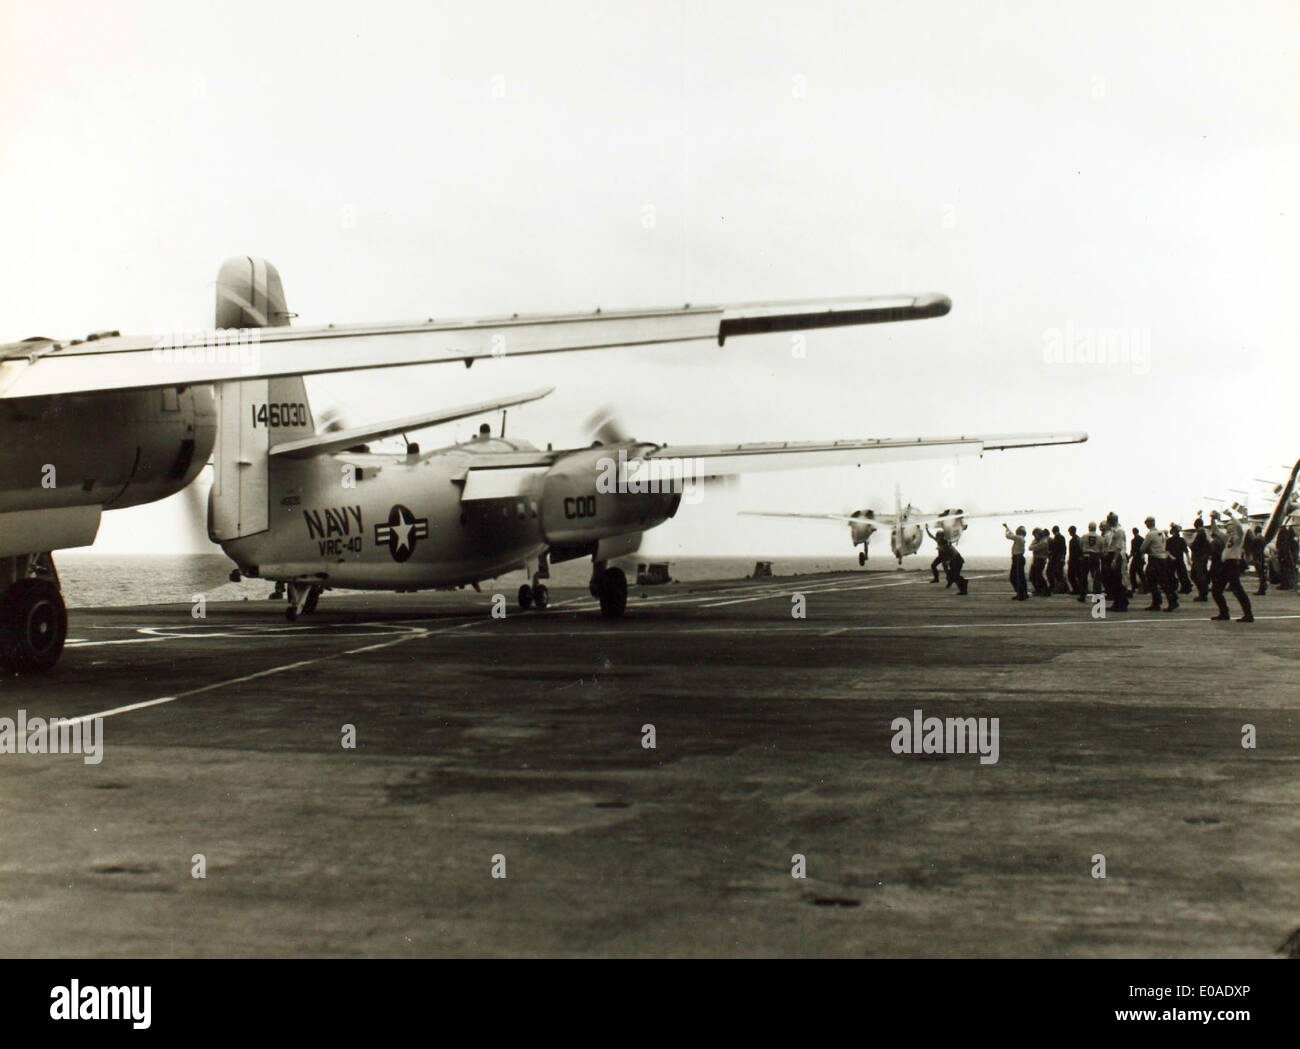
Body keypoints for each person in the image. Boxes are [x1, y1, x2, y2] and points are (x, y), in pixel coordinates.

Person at [1210, 511, 1253, 622]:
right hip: (1226, 565)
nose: (1228, 528)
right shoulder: (1228, 538)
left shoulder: (1238, 538)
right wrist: (1212, 519)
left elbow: (1239, 526)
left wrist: (1231, 516)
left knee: (1238, 590)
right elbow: (1215, 531)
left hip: (1233, 564)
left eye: (1230, 526)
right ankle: (1224, 613)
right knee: (1216, 590)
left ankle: (1248, 615)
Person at [1140, 515, 1178, 612]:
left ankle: (1157, 602)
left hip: (1154, 559)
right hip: (1163, 559)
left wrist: (1148, 551)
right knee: (1164, 581)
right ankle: (1172, 600)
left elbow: (1142, 549)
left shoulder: (1150, 534)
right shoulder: (1161, 533)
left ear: (1148, 523)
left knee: (1151, 581)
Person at [1104, 512, 1129, 611]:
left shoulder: (1119, 531)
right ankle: (1118, 602)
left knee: (1117, 579)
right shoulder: (1113, 531)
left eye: (1109, 520)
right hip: (1112, 555)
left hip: (1116, 555)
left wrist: (1114, 559)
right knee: (1114, 580)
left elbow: (1118, 547)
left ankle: (1121, 603)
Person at [1189, 517, 1212, 601]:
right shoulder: (1206, 533)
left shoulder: (1200, 533)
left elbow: (1194, 546)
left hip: (1199, 558)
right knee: (1200, 575)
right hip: (1203, 557)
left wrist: (1191, 545)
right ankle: (1204, 591)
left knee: (1196, 575)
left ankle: (1203, 594)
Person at [1004, 523, 1028, 600]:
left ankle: (1020, 593)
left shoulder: (1019, 538)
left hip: (1017, 558)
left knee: (1014, 577)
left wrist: (1006, 530)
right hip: (1019, 558)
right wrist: (1007, 527)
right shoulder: (1021, 538)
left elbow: (1009, 536)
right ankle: (1023, 593)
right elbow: (1012, 534)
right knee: (1021, 577)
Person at [1166, 524, 1192, 595]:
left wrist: (1171, 557)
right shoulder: (1182, 540)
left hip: (1172, 560)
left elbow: (1167, 551)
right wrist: (1189, 560)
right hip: (1180, 559)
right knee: (1182, 574)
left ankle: (1173, 587)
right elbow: (1186, 551)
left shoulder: (1169, 540)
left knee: (1171, 574)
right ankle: (1186, 588)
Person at [1246, 524, 1268, 596]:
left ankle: (1261, 590)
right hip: (1261, 557)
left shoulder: (1256, 539)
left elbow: (1251, 548)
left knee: (1260, 574)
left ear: (1255, 532)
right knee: (1262, 574)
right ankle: (1263, 588)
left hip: (1257, 558)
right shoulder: (1263, 538)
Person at [1082, 521, 1103, 594]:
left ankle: (1083, 593)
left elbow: (1080, 546)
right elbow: (1102, 548)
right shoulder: (1100, 538)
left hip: (1086, 556)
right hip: (1095, 556)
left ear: (1089, 528)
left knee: (1084, 576)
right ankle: (1097, 592)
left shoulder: (1084, 536)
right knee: (1096, 576)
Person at [1029, 528, 1051, 596]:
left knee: (1038, 575)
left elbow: (1034, 547)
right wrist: (1034, 544)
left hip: (1041, 559)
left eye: (1035, 535)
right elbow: (1030, 547)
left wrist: (1034, 545)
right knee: (1032, 575)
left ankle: (1045, 590)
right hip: (1036, 559)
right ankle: (1038, 589)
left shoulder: (1044, 541)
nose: (1035, 537)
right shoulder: (1037, 540)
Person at [1067, 524, 1086, 599]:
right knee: (1077, 576)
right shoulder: (1078, 539)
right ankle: (1078, 589)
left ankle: (1077, 589)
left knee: (1072, 575)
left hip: (1074, 561)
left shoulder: (1074, 540)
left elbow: (1073, 552)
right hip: (1077, 560)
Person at [1048, 525, 1068, 593]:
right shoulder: (1059, 537)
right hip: (1058, 558)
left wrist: (1062, 557)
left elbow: (1063, 548)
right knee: (1058, 573)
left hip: (1058, 558)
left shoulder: (1059, 538)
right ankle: (1062, 587)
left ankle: (1063, 587)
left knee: (1058, 573)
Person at [1129, 527, 1146, 594]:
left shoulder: (1135, 540)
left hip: (1137, 558)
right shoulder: (1140, 539)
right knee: (1139, 573)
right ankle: (1143, 586)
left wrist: (1129, 557)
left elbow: (1133, 551)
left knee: (1134, 572)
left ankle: (1135, 587)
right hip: (1138, 558)